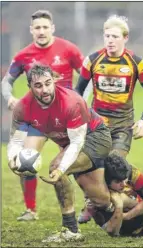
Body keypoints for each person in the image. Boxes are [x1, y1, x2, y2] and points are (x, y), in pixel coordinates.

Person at [7, 64, 112, 242]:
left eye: (48, 83)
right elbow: (16, 141)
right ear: (30, 87)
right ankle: (125, 203)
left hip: (95, 138)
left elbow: (78, 142)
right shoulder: (23, 107)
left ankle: (70, 230)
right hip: (71, 144)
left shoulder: (71, 102)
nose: (45, 89)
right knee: (101, 200)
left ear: (54, 80)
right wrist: (12, 159)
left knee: (56, 167)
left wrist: (62, 168)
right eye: (38, 86)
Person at [1, 10, 85, 221]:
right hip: (37, 119)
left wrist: (82, 98)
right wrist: (9, 97)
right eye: (37, 28)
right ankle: (31, 210)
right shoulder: (23, 55)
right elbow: (6, 81)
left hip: (66, 117)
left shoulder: (68, 49)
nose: (41, 31)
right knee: (25, 159)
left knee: (74, 161)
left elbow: (88, 74)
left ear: (52, 28)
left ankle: (89, 206)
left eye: (45, 27)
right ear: (31, 30)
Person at [75, 15, 143, 223]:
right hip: (97, 126)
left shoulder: (136, 62)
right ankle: (94, 203)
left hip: (123, 126)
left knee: (113, 163)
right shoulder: (92, 60)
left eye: (114, 36)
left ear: (125, 38)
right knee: (91, 166)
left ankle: (131, 200)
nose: (109, 40)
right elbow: (78, 91)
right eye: (106, 36)